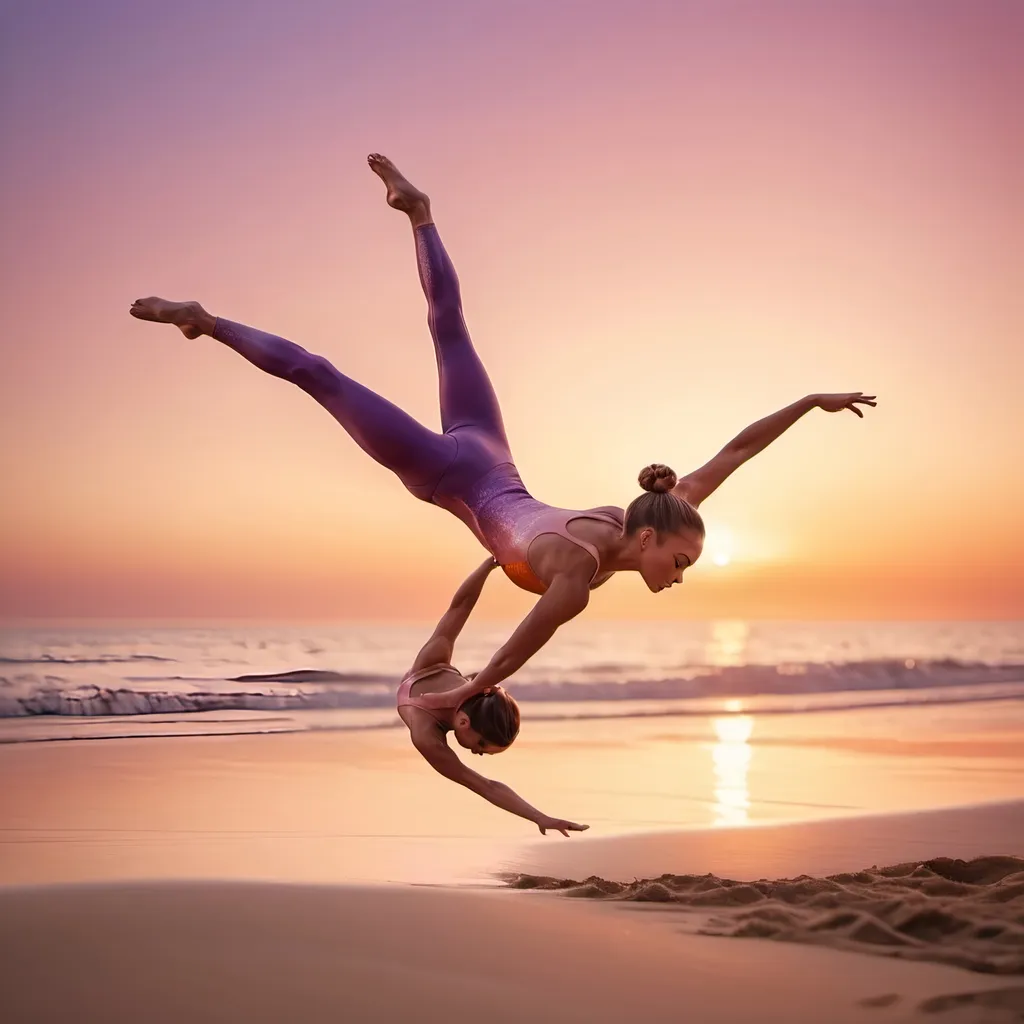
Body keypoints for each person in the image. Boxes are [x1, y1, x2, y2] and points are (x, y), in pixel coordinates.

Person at [130, 153, 876, 699]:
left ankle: (420, 212)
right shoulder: (576, 573)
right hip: (448, 473)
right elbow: (517, 649)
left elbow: (737, 451)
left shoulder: (663, 509)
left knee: (450, 330)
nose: (679, 577)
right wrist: (464, 692)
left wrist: (811, 403)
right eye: (680, 563)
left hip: (492, 456)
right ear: (648, 540)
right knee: (320, 375)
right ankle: (206, 320)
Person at [397, 555, 586, 835]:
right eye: (482, 744)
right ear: (464, 723)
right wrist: (489, 565)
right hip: (439, 685)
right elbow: (459, 607)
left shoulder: (436, 664)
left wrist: (489, 566)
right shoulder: (426, 736)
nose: (479, 753)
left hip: (461, 687)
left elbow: (460, 608)